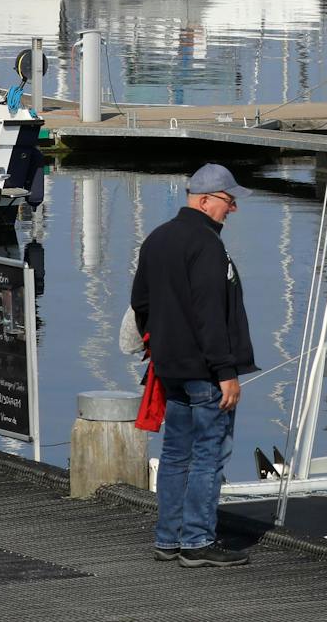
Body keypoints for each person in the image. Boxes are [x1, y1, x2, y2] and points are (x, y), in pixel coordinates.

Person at [130, 164, 256, 568]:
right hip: (205, 372)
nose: (232, 210)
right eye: (227, 201)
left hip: (170, 369)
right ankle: (198, 540)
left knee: (175, 454)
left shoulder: (157, 239)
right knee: (208, 455)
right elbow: (209, 313)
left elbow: (141, 303)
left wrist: (164, 346)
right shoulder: (206, 245)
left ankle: (168, 538)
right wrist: (226, 371)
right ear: (204, 200)